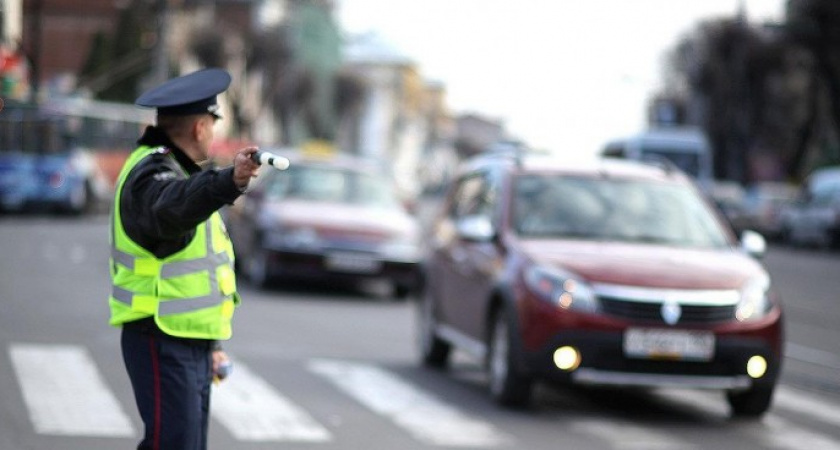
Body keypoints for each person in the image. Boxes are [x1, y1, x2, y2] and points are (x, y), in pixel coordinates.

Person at [108, 67, 259, 450]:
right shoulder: (151, 171)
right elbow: (171, 207)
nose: (213, 133)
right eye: (213, 124)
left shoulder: (176, 171)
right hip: (161, 337)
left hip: (187, 340)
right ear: (199, 127)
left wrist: (211, 346)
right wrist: (229, 181)